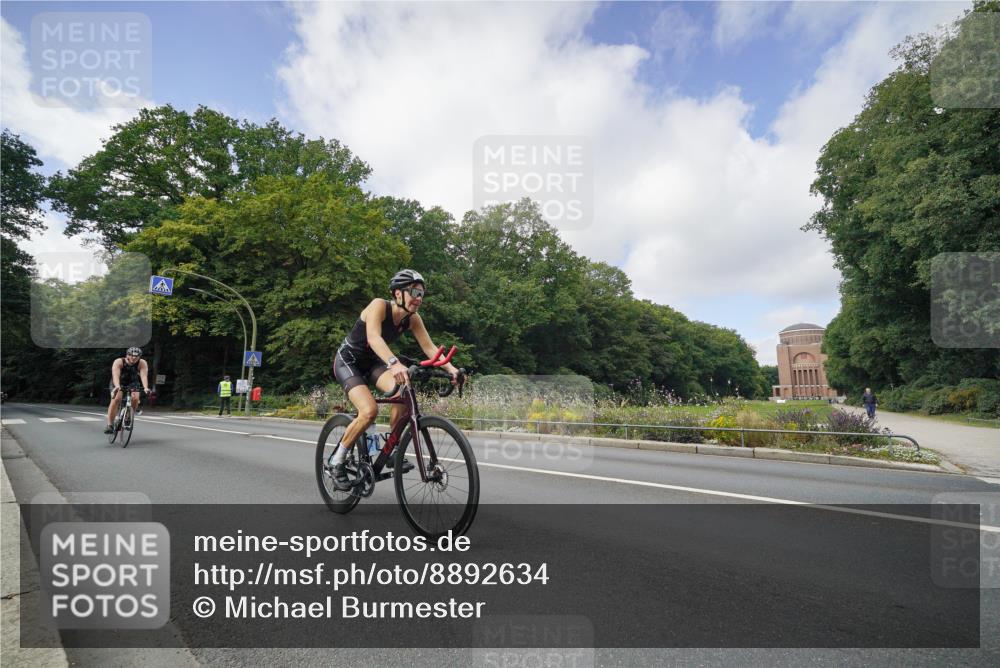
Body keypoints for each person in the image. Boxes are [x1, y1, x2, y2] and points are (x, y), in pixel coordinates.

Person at [328, 269, 460, 490]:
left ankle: (392, 448)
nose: (418, 298)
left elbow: (430, 348)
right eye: (414, 292)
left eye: (421, 293)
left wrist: (452, 369)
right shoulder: (378, 306)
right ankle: (336, 461)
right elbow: (373, 337)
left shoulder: (413, 319)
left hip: (373, 363)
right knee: (369, 411)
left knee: (403, 390)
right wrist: (394, 362)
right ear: (398, 294)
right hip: (348, 361)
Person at [105, 347, 150, 434]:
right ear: (127, 355)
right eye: (131, 356)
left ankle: (128, 418)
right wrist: (117, 386)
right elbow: (115, 375)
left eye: (136, 357)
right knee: (116, 399)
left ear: (139, 357)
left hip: (133, 382)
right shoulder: (119, 361)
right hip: (118, 381)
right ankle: (110, 425)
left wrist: (145, 387)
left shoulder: (142, 363)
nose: (134, 358)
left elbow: (143, 376)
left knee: (136, 398)